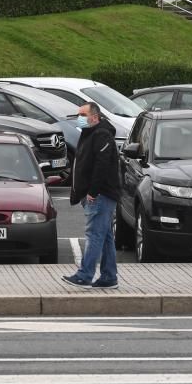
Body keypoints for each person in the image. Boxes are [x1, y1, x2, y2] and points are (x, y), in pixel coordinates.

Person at [63, 102, 120, 289]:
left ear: (94, 117)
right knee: (105, 237)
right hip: (97, 194)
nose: (78, 117)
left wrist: (92, 192)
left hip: (100, 195)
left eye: (82, 114)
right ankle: (109, 277)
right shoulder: (89, 134)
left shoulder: (101, 135)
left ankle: (84, 276)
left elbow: (101, 166)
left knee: (94, 234)